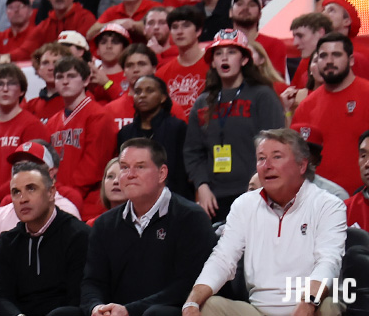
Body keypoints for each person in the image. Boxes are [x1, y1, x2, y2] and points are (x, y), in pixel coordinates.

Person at [183, 129, 345, 316]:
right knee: (209, 306)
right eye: (261, 158)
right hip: (258, 311)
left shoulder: (328, 205)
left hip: (309, 306)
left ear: (302, 165)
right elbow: (222, 259)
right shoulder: (244, 205)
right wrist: (192, 302)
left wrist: (308, 303)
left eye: (277, 157)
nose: (266, 165)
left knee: (328, 306)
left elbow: (328, 261)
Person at [81, 138, 216, 316]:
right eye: (124, 167)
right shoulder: (104, 224)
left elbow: (188, 285)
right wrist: (97, 308)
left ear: (162, 173)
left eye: (140, 167)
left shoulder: (191, 218)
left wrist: (130, 310)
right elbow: (92, 282)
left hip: (167, 310)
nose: (130, 174)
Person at [183, 29, 285, 221]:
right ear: (212, 61)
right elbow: (193, 151)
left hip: (256, 193)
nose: (224, 58)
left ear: (244, 59)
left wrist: (261, 186)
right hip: (214, 198)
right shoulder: (203, 102)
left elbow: (277, 145)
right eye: (219, 53)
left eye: (231, 52)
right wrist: (202, 186)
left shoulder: (263, 96)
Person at [0, 160, 91, 316]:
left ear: (51, 193)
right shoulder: (8, 241)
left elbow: (78, 298)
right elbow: (0, 297)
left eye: (31, 189)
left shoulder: (78, 235)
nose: (23, 199)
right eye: (16, 192)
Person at [291, 33, 369, 195]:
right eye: (323, 56)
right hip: (321, 202)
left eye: (336, 55)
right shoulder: (306, 106)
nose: (329, 61)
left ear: (351, 60)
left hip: (363, 200)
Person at [48, 56, 118, 219]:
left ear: (86, 80)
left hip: (90, 205)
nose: (65, 81)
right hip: (60, 201)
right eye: (60, 77)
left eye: (71, 76)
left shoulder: (99, 115)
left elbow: (94, 165)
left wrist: (65, 195)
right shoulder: (52, 122)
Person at [0, 64, 50, 203]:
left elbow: (31, 172)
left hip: (20, 202)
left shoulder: (32, 125)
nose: (5, 89)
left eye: (11, 84)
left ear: (21, 91)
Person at [118, 75, 190, 197]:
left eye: (149, 90)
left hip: (173, 197)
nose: (142, 95)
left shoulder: (178, 128)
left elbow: (182, 172)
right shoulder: (125, 133)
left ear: (162, 97)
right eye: (138, 91)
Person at [156, 6, 209, 119]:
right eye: (175, 27)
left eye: (186, 26)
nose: (179, 32)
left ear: (198, 31)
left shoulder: (213, 66)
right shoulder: (161, 73)